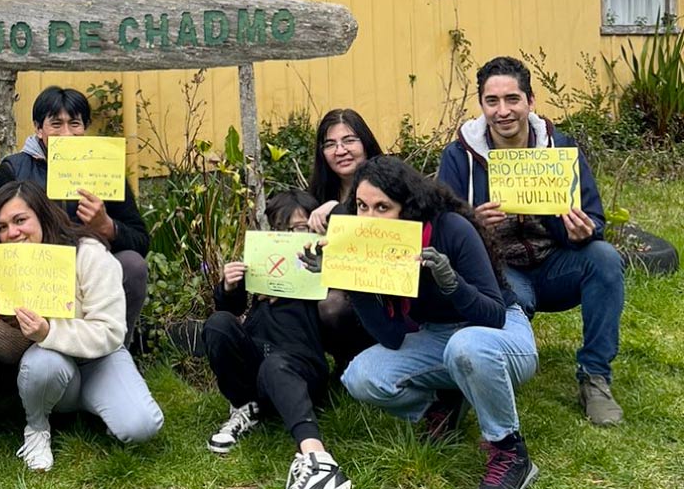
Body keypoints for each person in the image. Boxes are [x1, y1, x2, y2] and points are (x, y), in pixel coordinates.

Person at [313, 157, 538, 489]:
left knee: (467, 346)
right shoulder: (374, 247)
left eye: (382, 207)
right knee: (361, 376)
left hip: (500, 334)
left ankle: (509, 450)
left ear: (407, 207)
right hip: (437, 336)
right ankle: (443, 405)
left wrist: (451, 283)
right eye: (362, 206)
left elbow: (494, 314)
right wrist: (350, 279)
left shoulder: (450, 228)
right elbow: (391, 337)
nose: (369, 217)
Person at [437, 56, 625, 427]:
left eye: (512, 99)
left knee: (604, 257)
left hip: (556, 264)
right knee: (506, 297)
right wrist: (472, 224)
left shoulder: (560, 149)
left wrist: (582, 231)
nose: (503, 111)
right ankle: (472, 381)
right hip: (500, 271)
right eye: (492, 101)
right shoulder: (459, 156)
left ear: (531, 101)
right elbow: (440, 227)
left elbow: (594, 217)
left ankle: (595, 377)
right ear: (481, 105)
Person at [0, 180, 163, 472]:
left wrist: (49, 332)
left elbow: (111, 331)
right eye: (2, 227)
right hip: (52, 367)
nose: (13, 232)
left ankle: (99, 403)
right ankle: (37, 428)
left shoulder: (88, 252)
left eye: (20, 220)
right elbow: (13, 352)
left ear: (42, 215)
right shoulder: (4, 268)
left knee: (142, 427)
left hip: (100, 359)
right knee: (42, 364)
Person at [202, 189, 351, 489]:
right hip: (258, 360)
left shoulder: (327, 267)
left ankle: (318, 460)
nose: (290, 237)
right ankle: (245, 407)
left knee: (277, 365)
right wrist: (230, 287)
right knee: (219, 324)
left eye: (299, 229)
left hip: (301, 366)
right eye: (281, 229)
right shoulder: (262, 262)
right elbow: (230, 310)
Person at [0, 86, 149, 343]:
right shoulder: (13, 171)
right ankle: (20, 352)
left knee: (133, 265)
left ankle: (116, 348)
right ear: (38, 128)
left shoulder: (104, 170)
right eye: (56, 124)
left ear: (85, 127)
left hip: (89, 272)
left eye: (74, 124)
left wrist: (106, 225)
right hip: (34, 276)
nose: (67, 134)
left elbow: (141, 241)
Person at [306, 108, 384, 373]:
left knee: (332, 306)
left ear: (365, 142)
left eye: (349, 140)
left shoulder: (389, 179)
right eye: (330, 144)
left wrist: (337, 210)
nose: (340, 150)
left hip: (381, 285)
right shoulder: (318, 192)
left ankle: (361, 364)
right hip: (332, 279)